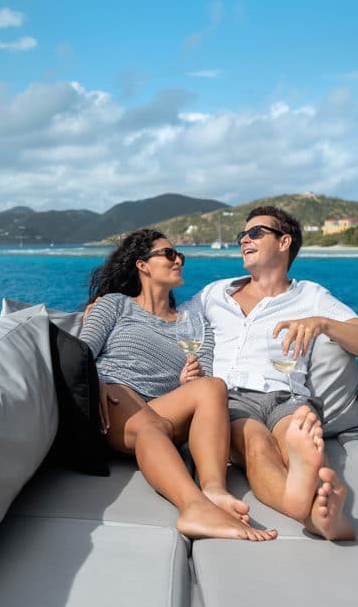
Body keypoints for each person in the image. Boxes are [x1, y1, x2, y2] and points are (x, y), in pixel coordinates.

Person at [197, 206, 358, 541]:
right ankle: (318, 515)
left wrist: (323, 323)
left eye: (255, 233)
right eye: (241, 235)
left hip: (289, 395)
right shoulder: (216, 293)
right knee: (257, 445)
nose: (244, 239)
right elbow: (167, 317)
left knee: (301, 435)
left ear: (284, 241)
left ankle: (314, 490)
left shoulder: (311, 296)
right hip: (232, 398)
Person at [80, 228, 277, 541]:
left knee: (212, 386)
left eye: (180, 255)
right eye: (169, 254)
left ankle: (213, 490)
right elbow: (81, 351)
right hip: (114, 398)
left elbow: (207, 385)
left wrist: (189, 382)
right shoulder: (115, 305)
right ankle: (193, 506)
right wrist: (94, 379)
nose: (178, 261)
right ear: (142, 265)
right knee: (148, 422)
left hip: (163, 412)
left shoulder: (195, 323)